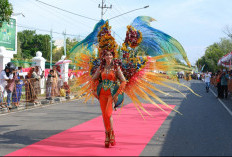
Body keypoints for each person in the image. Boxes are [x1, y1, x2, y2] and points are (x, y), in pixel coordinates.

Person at [92, 50, 126, 148]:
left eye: (110, 55)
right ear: (104, 57)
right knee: (104, 115)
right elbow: (94, 78)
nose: (109, 56)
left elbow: (123, 81)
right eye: (107, 55)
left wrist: (117, 94)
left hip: (111, 94)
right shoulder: (101, 68)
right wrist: (94, 90)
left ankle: (111, 134)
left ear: (113, 56)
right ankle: (107, 135)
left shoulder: (116, 68)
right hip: (102, 94)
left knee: (108, 113)